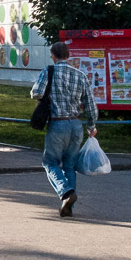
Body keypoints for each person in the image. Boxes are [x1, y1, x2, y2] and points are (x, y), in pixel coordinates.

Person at [31, 40, 98, 217]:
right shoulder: (80, 75)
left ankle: (65, 192)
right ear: (68, 55)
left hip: (58, 123)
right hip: (76, 125)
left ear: (53, 55)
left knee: (50, 162)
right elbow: (90, 104)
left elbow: (37, 93)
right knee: (70, 165)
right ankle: (68, 206)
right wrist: (91, 125)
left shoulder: (48, 71)